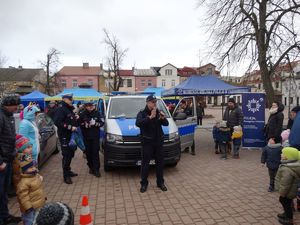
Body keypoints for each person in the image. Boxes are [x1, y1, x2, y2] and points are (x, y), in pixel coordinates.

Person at [136, 95, 169, 193]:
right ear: (147, 102)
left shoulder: (158, 112)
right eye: (152, 102)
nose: (154, 104)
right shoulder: (142, 113)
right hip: (147, 143)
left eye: (155, 102)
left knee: (160, 164)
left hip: (158, 142)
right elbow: (138, 123)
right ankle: (144, 184)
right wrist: (150, 117)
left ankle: (160, 183)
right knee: (145, 164)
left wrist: (162, 118)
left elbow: (166, 124)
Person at [0, 94, 22, 225]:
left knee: (4, 191)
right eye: (16, 105)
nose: (17, 108)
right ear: (8, 104)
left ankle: (5, 216)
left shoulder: (9, 116)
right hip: (2, 162)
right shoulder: (1, 116)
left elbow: (11, 135)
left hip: (8, 159)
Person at [14, 134, 46, 225]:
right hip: (30, 208)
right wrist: (28, 207)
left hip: (36, 203)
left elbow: (38, 189)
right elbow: (23, 196)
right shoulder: (21, 159)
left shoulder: (32, 174)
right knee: (29, 220)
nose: (30, 149)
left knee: (35, 219)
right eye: (28, 147)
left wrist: (37, 175)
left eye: (30, 146)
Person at [53, 94, 78, 184]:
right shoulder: (61, 109)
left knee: (71, 153)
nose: (71, 100)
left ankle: (68, 171)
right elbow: (57, 122)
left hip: (71, 135)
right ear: (64, 99)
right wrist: (70, 127)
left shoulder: (68, 109)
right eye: (70, 99)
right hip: (64, 135)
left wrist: (76, 118)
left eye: (72, 99)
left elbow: (70, 119)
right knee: (66, 155)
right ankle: (66, 175)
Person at [275, 147, 300, 225]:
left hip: (287, 192)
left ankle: (289, 219)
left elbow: (286, 184)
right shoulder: (290, 165)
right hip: (290, 191)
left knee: (284, 201)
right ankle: (286, 213)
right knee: (286, 202)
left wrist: (282, 193)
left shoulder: (287, 169)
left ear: (289, 157)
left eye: (283, 153)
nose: (281, 154)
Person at [79, 100, 104, 177]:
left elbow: (102, 122)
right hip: (86, 137)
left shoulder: (97, 113)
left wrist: (96, 123)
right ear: (86, 107)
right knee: (88, 153)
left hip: (95, 136)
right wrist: (84, 125)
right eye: (88, 106)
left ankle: (96, 169)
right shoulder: (82, 114)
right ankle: (91, 167)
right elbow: (79, 123)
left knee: (95, 153)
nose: (90, 107)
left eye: (91, 106)